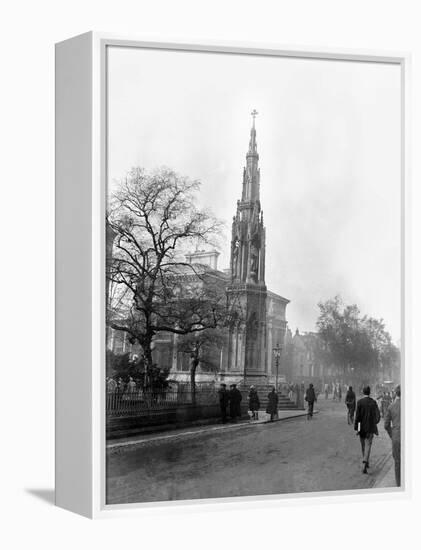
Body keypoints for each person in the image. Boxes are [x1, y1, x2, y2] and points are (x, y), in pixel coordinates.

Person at [354, 385, 381, 474]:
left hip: (361, 428)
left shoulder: (360, 402)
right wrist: (374, 423)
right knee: (368, 445)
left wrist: (357, 429)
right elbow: (378, 416)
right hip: (370, 428)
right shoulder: (373, 402)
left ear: (363, 392)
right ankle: (366, 461)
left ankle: (365, 461)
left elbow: (357, 417)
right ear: (370, 392)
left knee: (363, 445)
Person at [384, 385, 401, 486]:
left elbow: (386, 425)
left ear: (395, 393)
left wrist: (392, 435)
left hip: (397, 438)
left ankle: (399, 485)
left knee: (398, 463)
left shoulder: (391, 406)